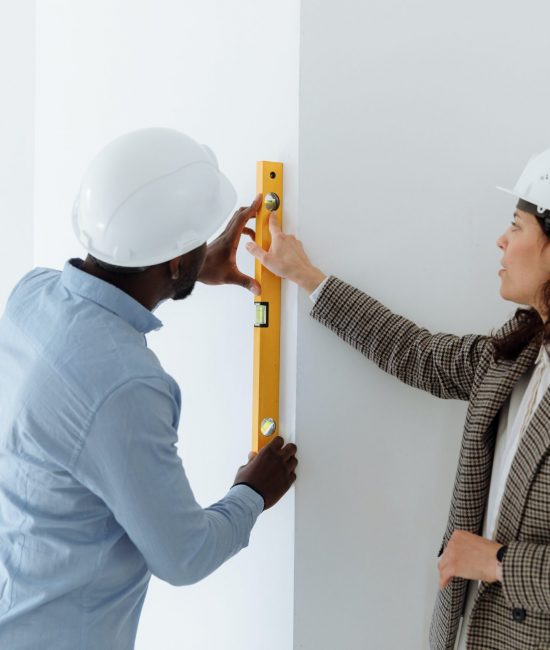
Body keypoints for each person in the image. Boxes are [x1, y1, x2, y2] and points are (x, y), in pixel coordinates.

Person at [0, 128, 297, 650]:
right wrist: (252, 492)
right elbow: (184, 556)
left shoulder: (30, 295)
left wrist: (185, 267)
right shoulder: (130, 386)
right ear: (175, 261)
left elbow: (99, 325)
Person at [246, 148, 550, 650]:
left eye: (516, 227)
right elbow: (418, 354)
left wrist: (496, 562)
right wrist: (306, 276)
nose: (501, 239)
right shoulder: (517, 354)